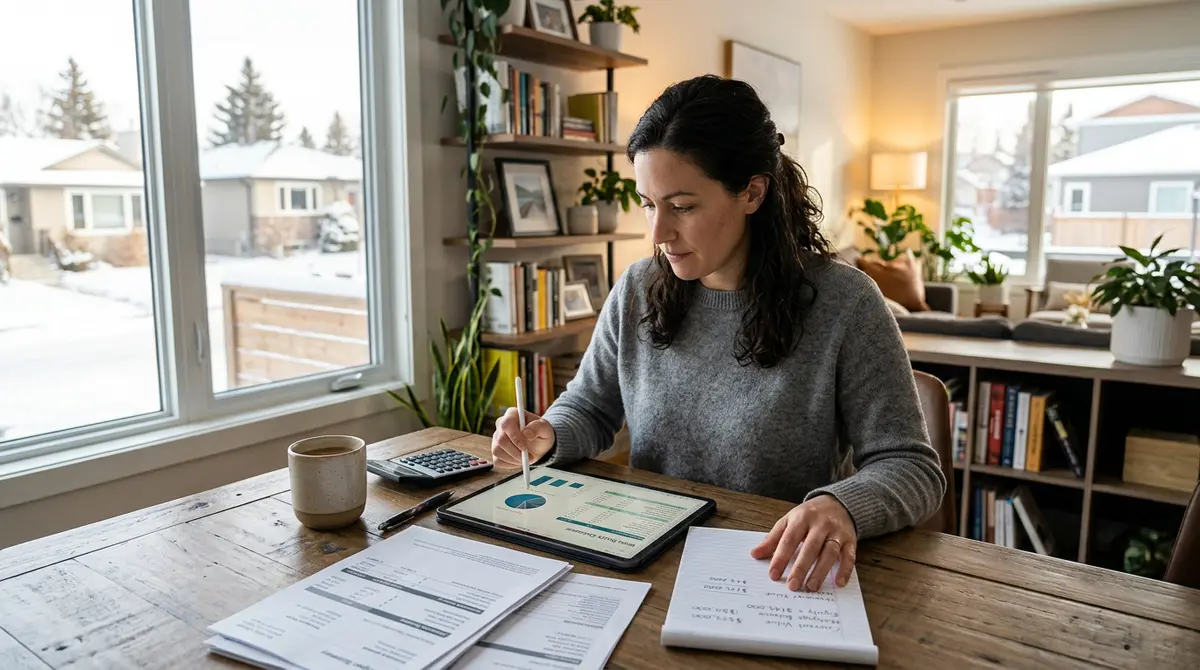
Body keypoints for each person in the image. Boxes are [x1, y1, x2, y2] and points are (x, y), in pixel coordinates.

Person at [490, 75, 945, 592]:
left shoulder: (846, 304)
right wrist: (547, 433)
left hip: (777, 572)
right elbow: (591, 408)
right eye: (647, 203)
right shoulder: (638, 288)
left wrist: (841, 504)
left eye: (682, 206)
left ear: (752, 192)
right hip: (646, 563)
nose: (658, 234)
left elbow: (911, 468)